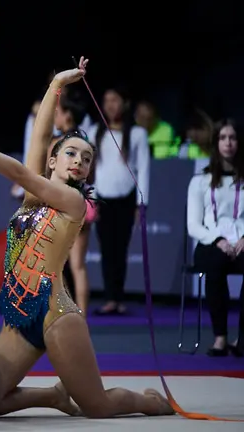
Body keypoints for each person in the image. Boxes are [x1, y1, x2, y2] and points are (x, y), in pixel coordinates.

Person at [0, 57, 174, 419]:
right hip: (22, 313)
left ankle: (148, 401)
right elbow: (41, 136)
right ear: (53, 160)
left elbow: (18, 171)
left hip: (56, 314)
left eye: (87, 158)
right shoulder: (33, 196)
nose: (78, 161)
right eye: (71, 153)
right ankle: (53, 397)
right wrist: (57, 83)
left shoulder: (74, 202)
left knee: (98, 406)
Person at [86, 86, 150, 316]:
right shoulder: (95, 132)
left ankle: (119, 298)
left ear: (124, 103)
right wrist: (90, 199)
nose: (110, 105)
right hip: (102, 198)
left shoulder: (137, 134)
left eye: (115, 99)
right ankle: (109, 298)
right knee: (106, 249)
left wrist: (142, 203)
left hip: (126, 198)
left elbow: (143, 169)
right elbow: (90, 171)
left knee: (121, 249)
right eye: (106, 100)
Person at [186, 118, 244, 357]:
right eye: (223, 138)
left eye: (232, 138)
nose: (228, 143)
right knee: (215, 266)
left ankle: (242, 338)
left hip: (242, 242)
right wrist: (218, 239)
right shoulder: (200, 181)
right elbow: (193, 225)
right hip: (211, 242)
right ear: (216, 143)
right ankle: (220, 337)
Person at [53, 95, 95, 315]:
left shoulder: (57, 144)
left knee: (57, 265)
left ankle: (63, 315)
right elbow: (93, 177)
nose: (55, 118)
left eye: (57, 113)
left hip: (60, 207)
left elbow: (47, 175)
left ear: (67, 115)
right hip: (81, 204)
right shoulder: (86, 146)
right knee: (78, 266)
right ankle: (82, 318)